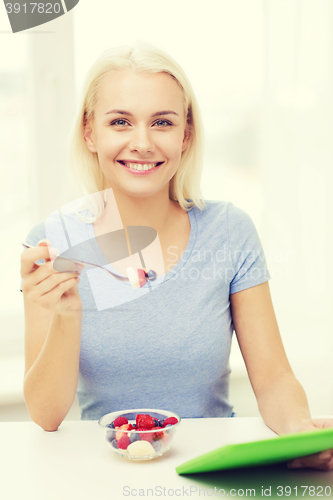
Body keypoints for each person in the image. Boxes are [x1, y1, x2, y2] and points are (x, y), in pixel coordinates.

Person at [20, 42, 333, 470]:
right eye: (120, 122)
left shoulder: (229, 230)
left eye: (162, 122)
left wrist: (299, 431)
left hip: (212, 470)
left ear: (185, 135)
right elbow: (46, 414)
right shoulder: (54, 241)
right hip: (103, 475)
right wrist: (67, 314)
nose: (142, 142)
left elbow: (275, 378)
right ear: (90, 133)